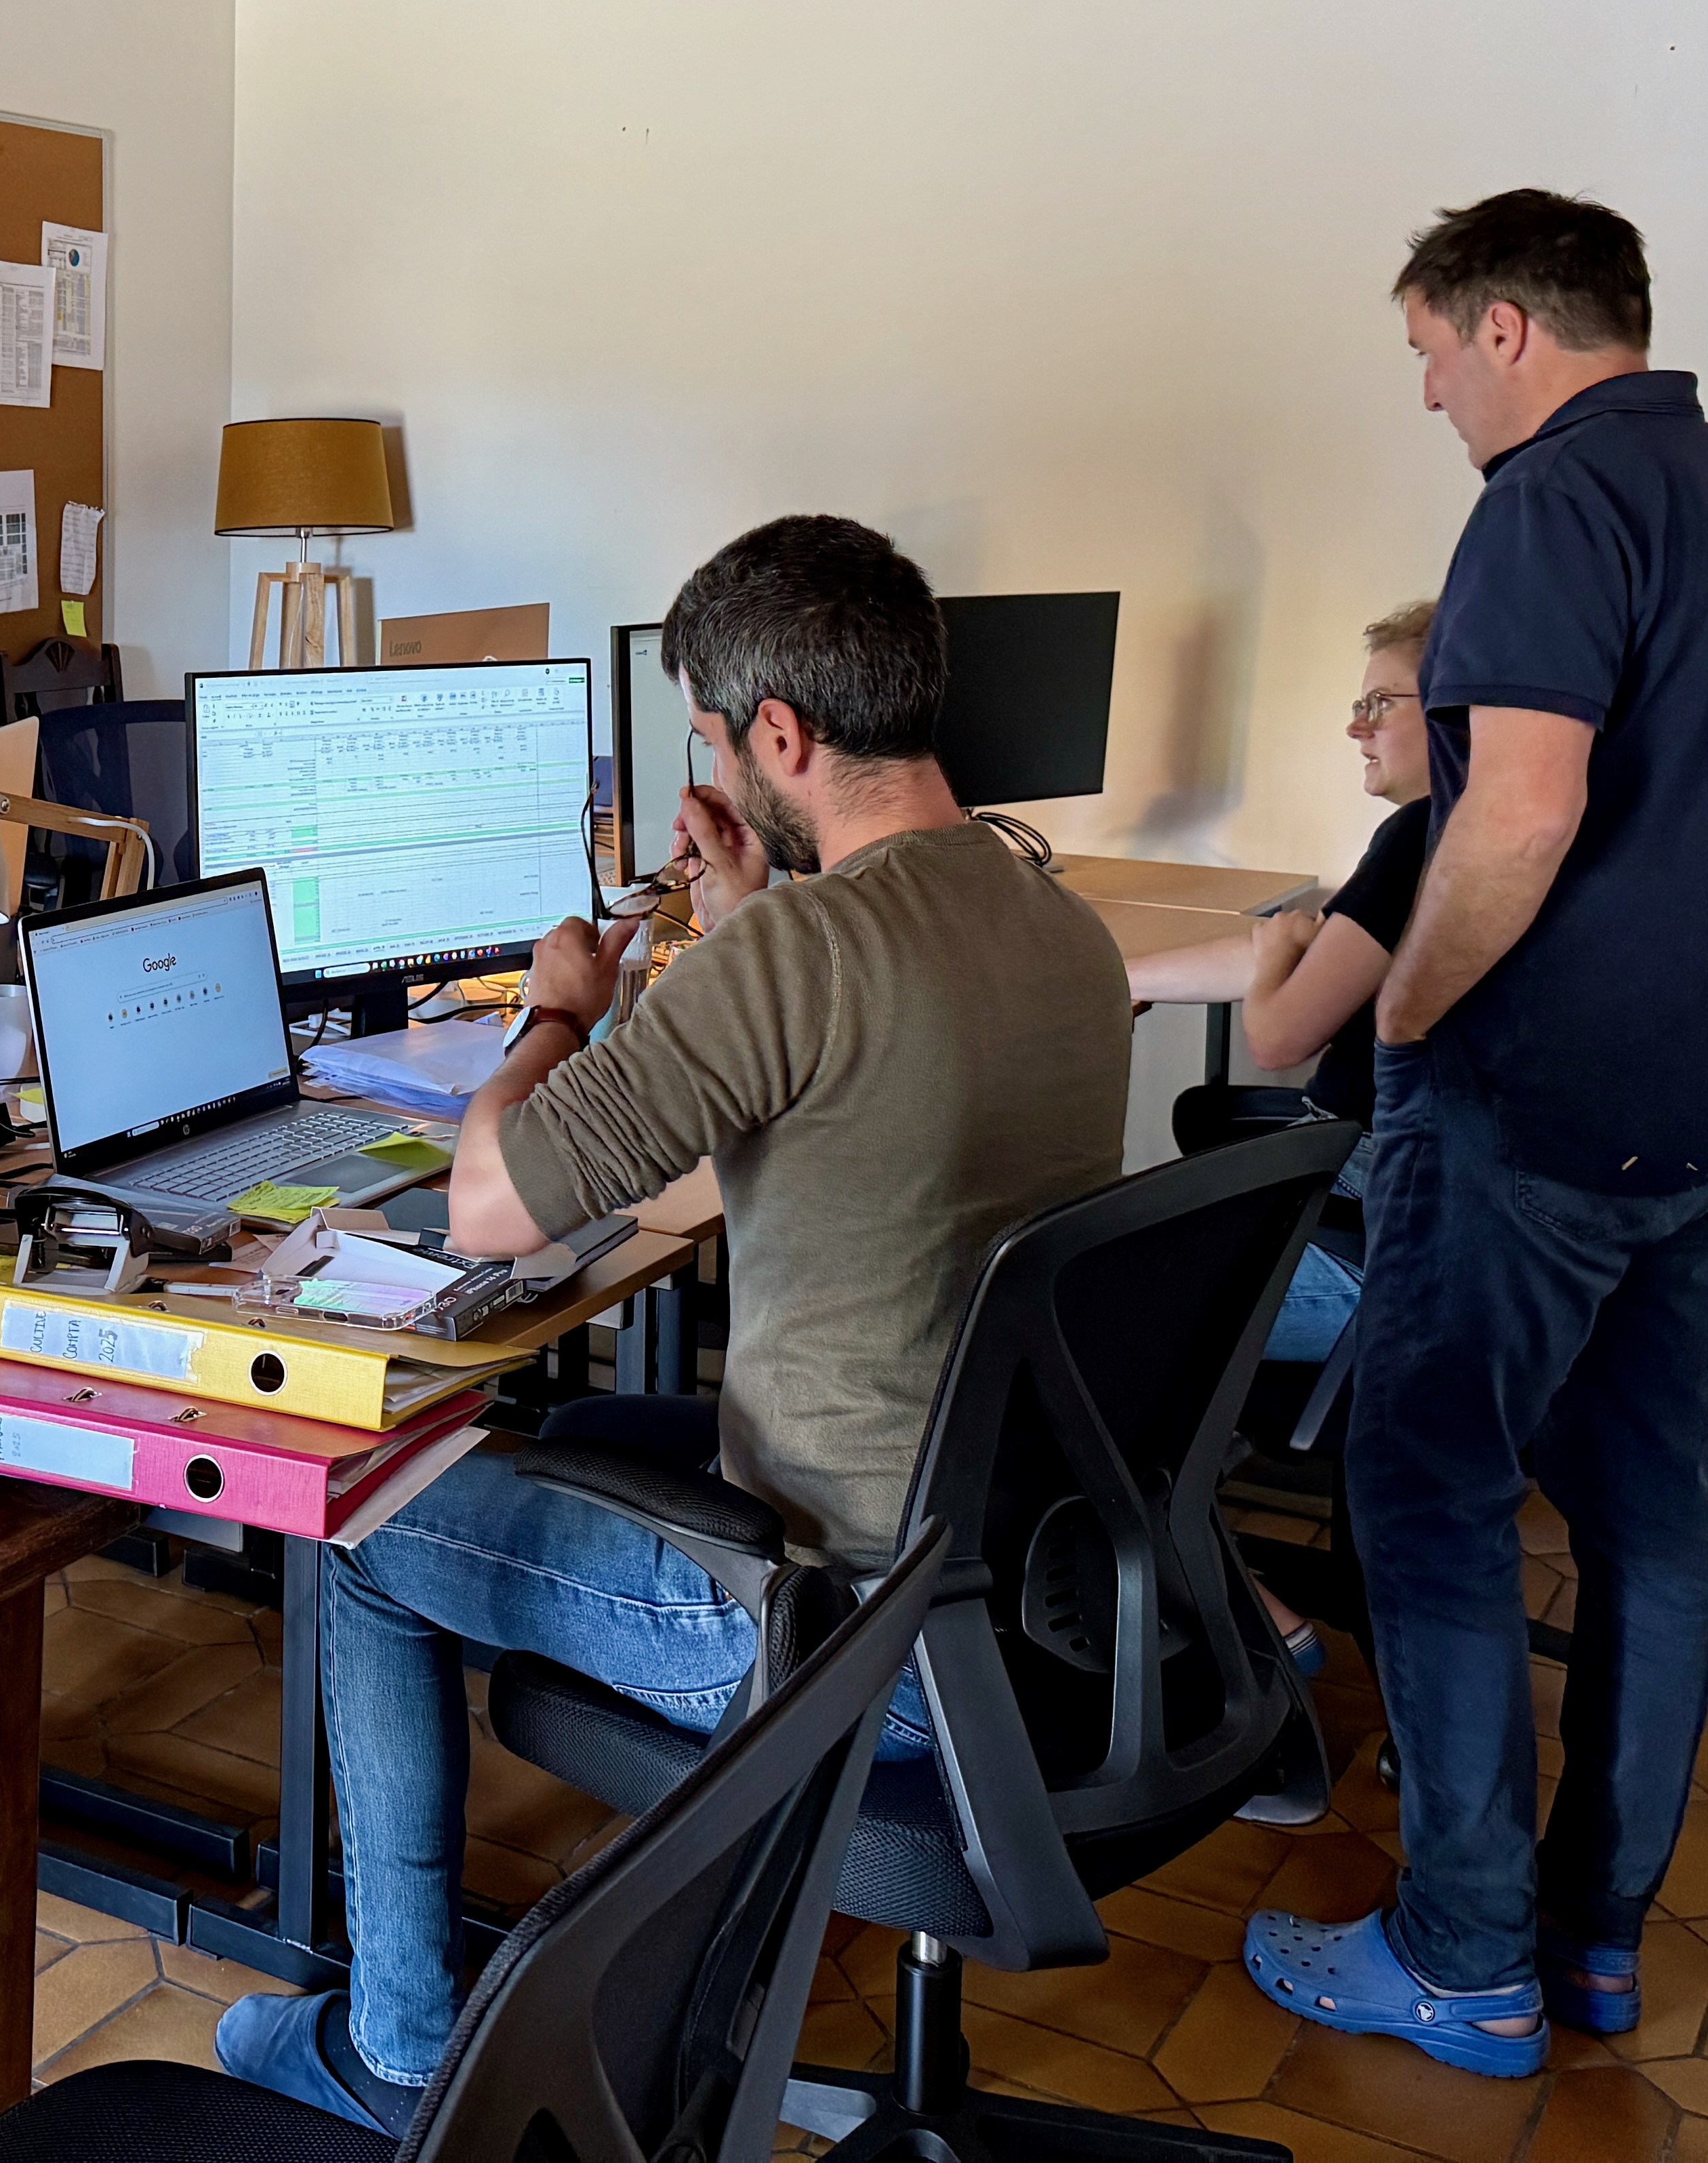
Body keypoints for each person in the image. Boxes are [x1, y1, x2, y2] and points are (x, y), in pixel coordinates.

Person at [214, 514, 1134, 2130]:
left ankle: (400, 2048)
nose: (704, 756)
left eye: (710, 731)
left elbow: (499, 1204)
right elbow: (844, 1085)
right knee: (559, 1434)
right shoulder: (1047, 912)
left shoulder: (801, 951)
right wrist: (747, 910)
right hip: (1015, 1573)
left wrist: (564, 1001)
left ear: (779, 734)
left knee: (365, 1521)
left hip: (837, 1621)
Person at [1239, 193, 1708, 2079]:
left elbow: (1515, 813)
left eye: (1426, 350)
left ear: (1508, 326)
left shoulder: (1550, 505)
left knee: (1428, 1491)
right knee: (1655, 1509)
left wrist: (1411, 1008)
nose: (1427, 393)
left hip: (1539, 1113)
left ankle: (1463, 1950)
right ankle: (1593, 1945)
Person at [1125, 595, 1440, 1373]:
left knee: (1052, 1293)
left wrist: (1274, 963)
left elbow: (1277, 1032)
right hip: (1389, 1220)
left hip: (1364, 1257)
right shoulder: (1466, 842)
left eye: (1379, 703)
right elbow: (1298, 953)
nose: (1355, 726)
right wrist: (1114, 976)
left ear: (1459, 710)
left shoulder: (1418, 840)